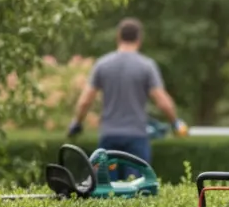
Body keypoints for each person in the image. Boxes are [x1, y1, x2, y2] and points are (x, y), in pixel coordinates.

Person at [67, 18, 186, 177]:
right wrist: (175, 123)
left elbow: (85, 101)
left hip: (109, 136)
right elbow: (162, 101)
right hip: (136, 137)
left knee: (106, 191)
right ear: (139, 38)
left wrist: (77, 123)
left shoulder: (102, 64)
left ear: (118, 36)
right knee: (136, 190)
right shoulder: (146, 66)